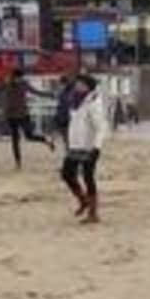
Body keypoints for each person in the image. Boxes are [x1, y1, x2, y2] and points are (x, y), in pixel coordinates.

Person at [60, 74, 110, 223]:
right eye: (77, 84)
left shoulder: (93, 103)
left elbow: (101, 127)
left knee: (88, 177)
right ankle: (83, 199)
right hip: (75, 144)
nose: (77, 86)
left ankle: (93, 212)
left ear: (87, 87)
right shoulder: (74, 100)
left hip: (89, 146)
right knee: (67, 174)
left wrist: (97, 147)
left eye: (80, 84)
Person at [0, 68, 56, 170]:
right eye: (18, 78)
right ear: (14, 77)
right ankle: (18, 162)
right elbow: (5, 101)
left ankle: (46, 140)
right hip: (11, 116)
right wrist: (4, 114)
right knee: (15, 140)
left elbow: (35, 92)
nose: (19, 80)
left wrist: (48, 94)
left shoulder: (24, 84)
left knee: (29, 136)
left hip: (23, 115)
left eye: (20, 78)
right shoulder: (8, 86)